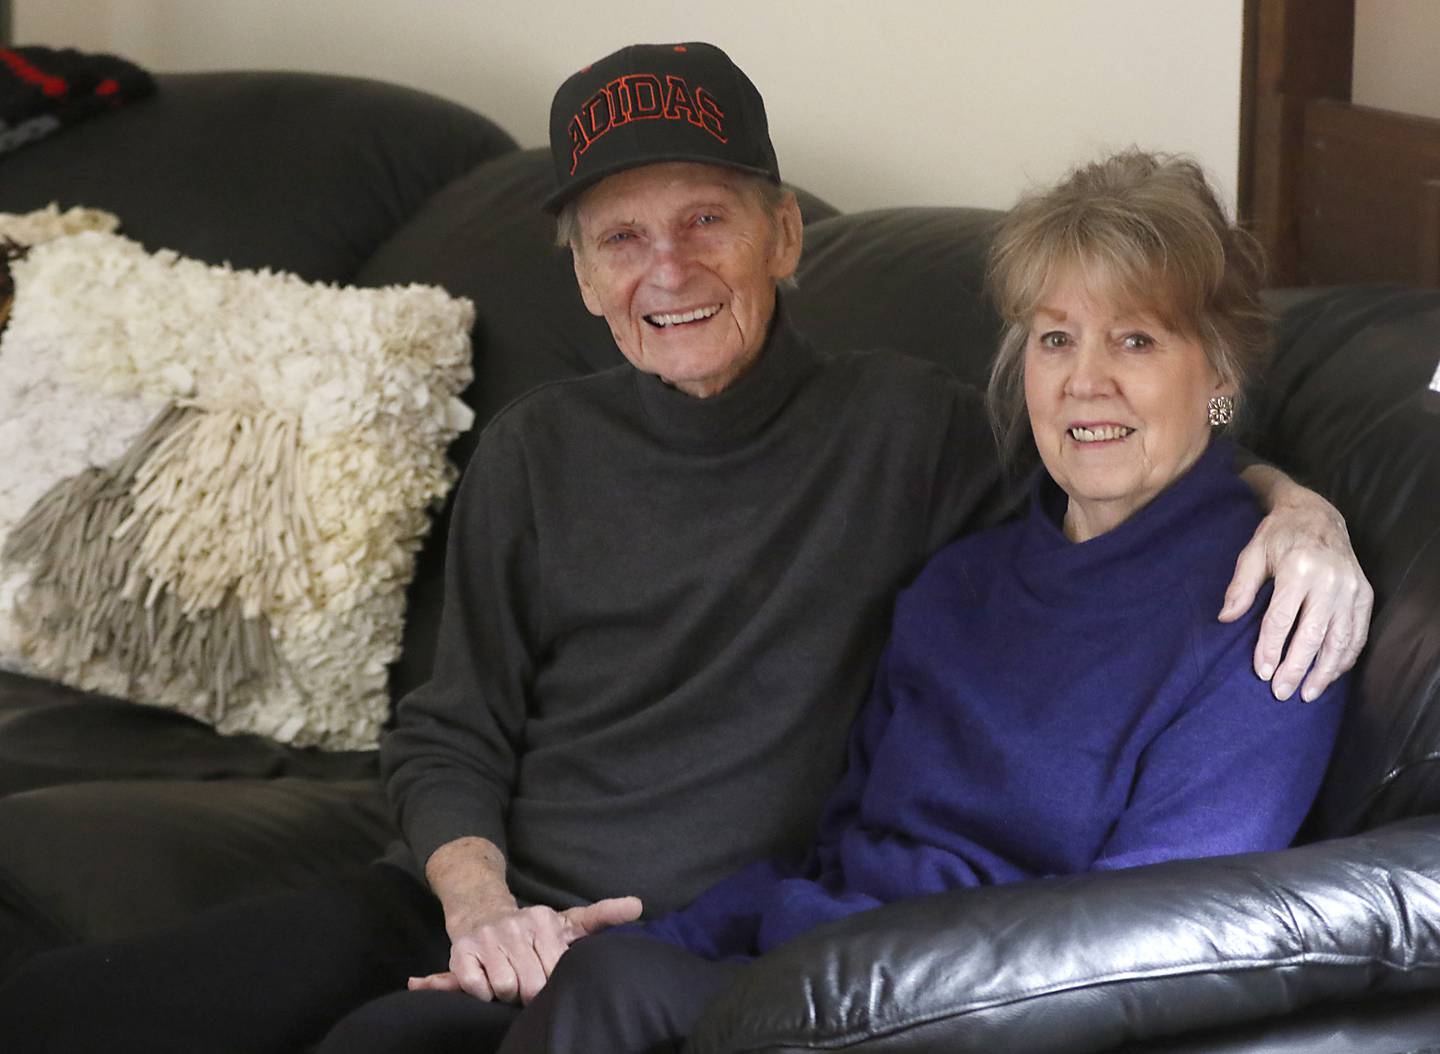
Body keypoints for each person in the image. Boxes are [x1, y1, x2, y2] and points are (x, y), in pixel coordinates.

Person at [0, 45, 1368, 1054]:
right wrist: (479, 904)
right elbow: (447, 730)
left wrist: (1294, 508)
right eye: (622, 238)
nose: (671, 270)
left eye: (708, 220)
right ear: (581, 275)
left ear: (784, 235)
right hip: (469, 903)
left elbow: (1129, 461)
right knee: (84, 1009)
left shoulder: (915, 437)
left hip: (673, 942)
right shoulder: (536, 453)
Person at [494, 149, 1349, 1053]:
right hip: (812, 968)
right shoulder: (959, 580)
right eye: (1056, 338)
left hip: (964, 1010)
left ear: (1218, 376)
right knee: (448, 1016)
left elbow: (1148, 941)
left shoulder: (1268, 615)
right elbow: (836, 854)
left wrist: (1298, 507)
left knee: (613, 998)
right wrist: (634, 937)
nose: (1084, 380)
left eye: (1135, 339)